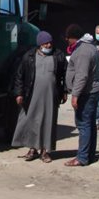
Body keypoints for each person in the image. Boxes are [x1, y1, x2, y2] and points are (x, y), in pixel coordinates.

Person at [11, 31, 67, 163]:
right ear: (39, 44)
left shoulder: (58, 55)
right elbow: (20, 75)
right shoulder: (29, 56)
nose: (48, 45)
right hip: (32, 95)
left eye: (50, 42)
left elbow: (65, 74)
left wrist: (64, 91)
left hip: (51, 95)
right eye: (46, 43)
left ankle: (45, 151)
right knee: (31, 121)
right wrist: (19, 93)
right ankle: (32, 149)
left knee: (48, 122)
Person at [63, 24, 99, 166]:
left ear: (72, 38)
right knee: (90, 124)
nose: (67, 42)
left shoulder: (83, 51)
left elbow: (82, 75)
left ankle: (82, 157)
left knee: (84, 124)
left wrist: (75, 95)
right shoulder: (90, 47)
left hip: (86, 93)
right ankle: (89, 155)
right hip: (91, 91)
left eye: (68, 39)